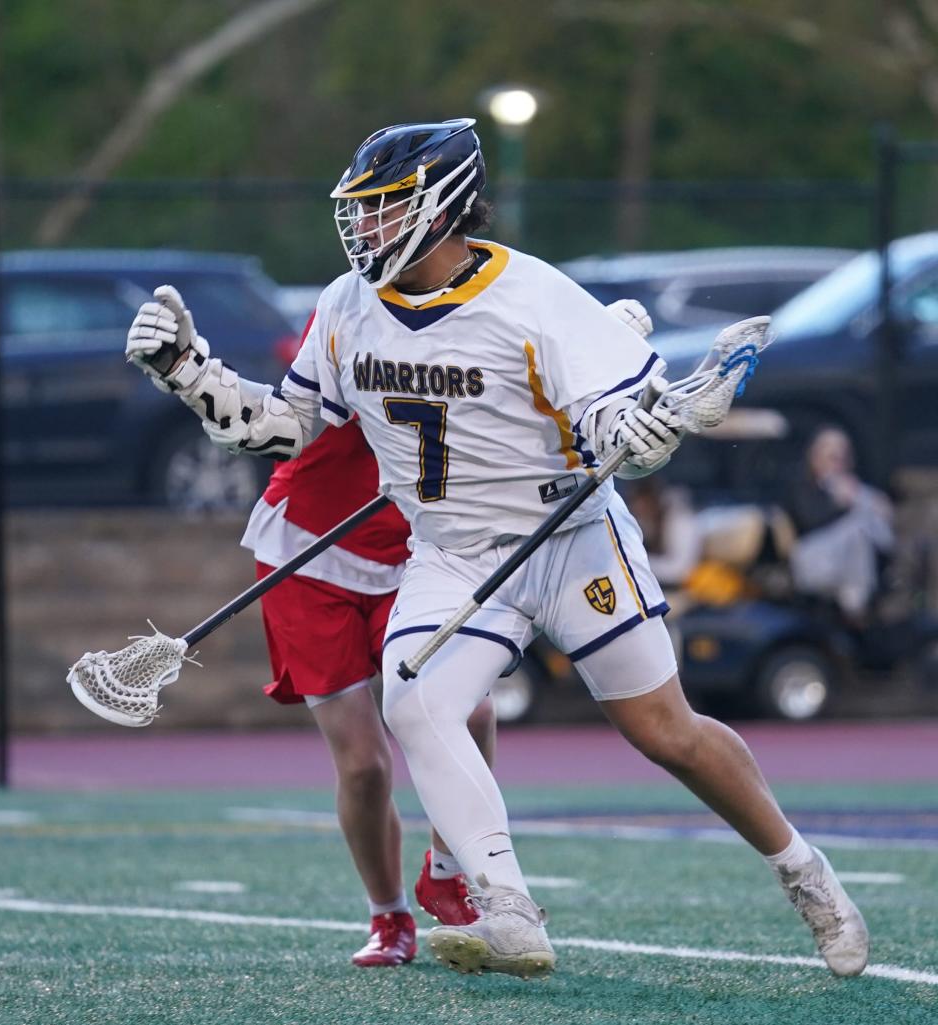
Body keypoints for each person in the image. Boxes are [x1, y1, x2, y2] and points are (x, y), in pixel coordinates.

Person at [125, 118, 869, 981]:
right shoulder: (346, 305)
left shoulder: (534, 297)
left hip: (572, 538)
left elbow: (620, 428)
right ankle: (507, 908)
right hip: (452, 551)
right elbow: (290, 429)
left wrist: (648, 426)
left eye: (384, 208)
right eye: (359, 212)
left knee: (663, 730)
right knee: (413, 703)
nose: (364, 230)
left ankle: (804, 872)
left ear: (440, 206)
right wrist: (189, 371)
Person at [236, 312, 498, 967]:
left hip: (410, 555)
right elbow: (286, 416)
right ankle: (389, 915)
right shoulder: (346, 311)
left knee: (472, 709)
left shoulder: (475, 316)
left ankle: (444, 869)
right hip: (308, 552)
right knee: (364, 764)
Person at [786, 425, 893, 622]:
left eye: (842, 455)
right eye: (831, 455)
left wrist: (872, 504)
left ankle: (860, 600)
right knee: (857, 529)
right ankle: (855, 605)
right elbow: (810, 519)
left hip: (852, 562)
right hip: (812, 560)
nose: (838, 459)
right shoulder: (805, 486)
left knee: (865, 522)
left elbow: (883, 532)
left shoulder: (855, 488)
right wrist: (842, 504)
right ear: (815, 456)